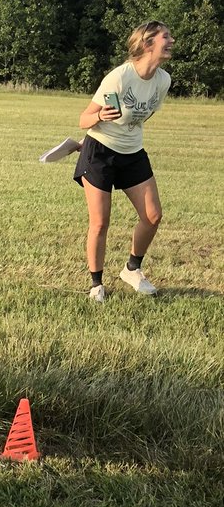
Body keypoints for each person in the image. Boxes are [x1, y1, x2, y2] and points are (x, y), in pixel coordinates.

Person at [74, 20, 174, 302]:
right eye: (165, 37)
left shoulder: (163, 81)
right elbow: (84, 119)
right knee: (100, 222)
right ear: (147, 43)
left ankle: (132, 269)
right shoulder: (118, 77)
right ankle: (96, 285)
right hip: (100, 152)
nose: (171, 41)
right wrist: (98, 119)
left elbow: (145, 116)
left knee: (153, 215)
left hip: (132, 152)